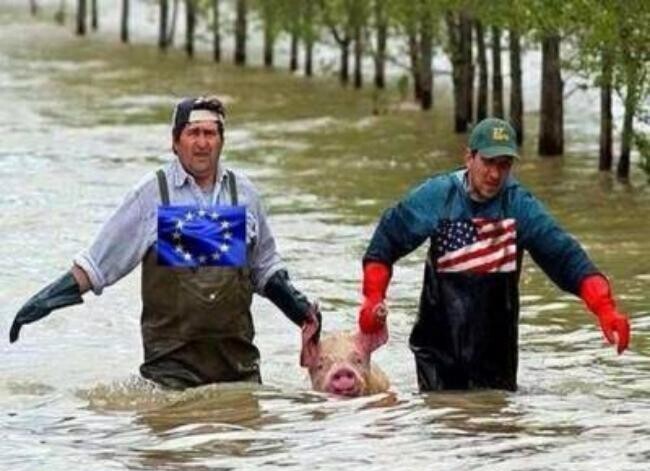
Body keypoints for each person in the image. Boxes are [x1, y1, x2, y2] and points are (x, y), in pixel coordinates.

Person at [10, 95, 320, 390]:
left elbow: (265, 270)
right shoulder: (151, 195)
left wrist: (302, 311)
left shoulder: (245, 194)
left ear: (221, 142)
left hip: (239, 369)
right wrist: (42, 302)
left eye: (210, 134)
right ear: (175, 142)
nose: (202, 143)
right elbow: (96, 267)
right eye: (193, 133)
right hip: (170, 374)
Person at [357, 117, 631, 392]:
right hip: (438, 351)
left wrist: (605, 308)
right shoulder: (437, 196)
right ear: (469, 157)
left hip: (495, 354)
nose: (495, 174)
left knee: (496, 428)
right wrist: (373, 298)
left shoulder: (519, 206)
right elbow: (387, 242)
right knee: (444, 425)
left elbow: (564, 257)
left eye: (504, 165)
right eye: (488, 162)